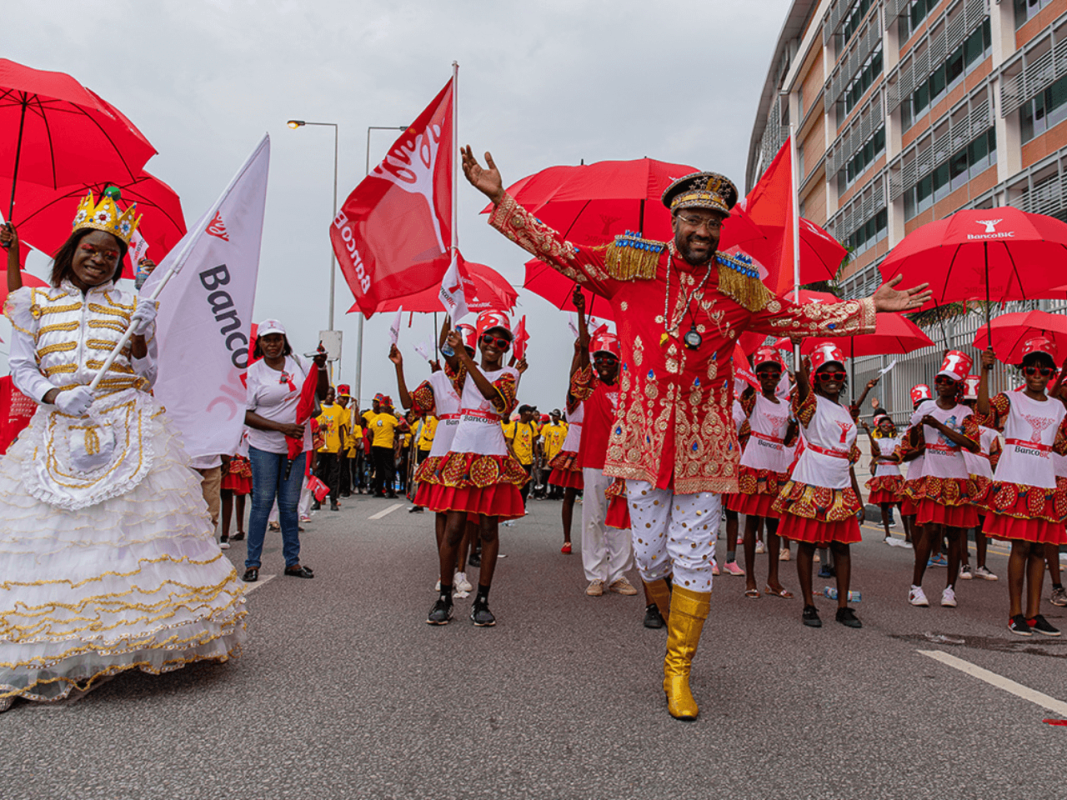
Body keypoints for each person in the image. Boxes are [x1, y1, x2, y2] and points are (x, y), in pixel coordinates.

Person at [464, 148, 929, 719]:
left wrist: (866, 308)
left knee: (691, 557)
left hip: (704, 445)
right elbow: (560, 253)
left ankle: (679, 671)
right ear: (674, 221)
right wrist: (500, 199)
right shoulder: (628, 265)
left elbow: (792, 317)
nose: (705, 231)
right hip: (641, 439)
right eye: (695, 220)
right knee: (651, 557)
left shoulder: (737, 289)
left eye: (714, 223)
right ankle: (669, 629)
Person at [0, 190, 245, 708]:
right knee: (50, 540)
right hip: (58, 425)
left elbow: (148, 373)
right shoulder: (33, 302)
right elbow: (22, 367)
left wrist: (140, 337)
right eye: (91, 248)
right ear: (73, 249)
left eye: (111, 254)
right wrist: (57, 394)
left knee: (124, 536)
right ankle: (49, 650)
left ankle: (119, 643)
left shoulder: (134, 300)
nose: (99, 259)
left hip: (127, 424)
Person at [425, 311, 526, 627]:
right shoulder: (460, 372)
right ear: (479, 341)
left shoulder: (508, 376)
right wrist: (449, 311)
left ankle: (482, 600)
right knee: (454, 528)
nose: (494, 345)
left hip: (492, 453)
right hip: (462, 449)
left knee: (487, 530)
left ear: (506, 348)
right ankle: (444, 597)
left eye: (501, 341)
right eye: (488, 339)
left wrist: (465, 360)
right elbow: (445, 351)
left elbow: (493, 398)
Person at [976, 339, 1067, 636]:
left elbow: (1062, 446)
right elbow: (983, 414)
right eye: (1031, 369)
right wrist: (985, 371)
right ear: (1023, 372)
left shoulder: (1058, 408)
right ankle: (1014, 613)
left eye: (1043, 370)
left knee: (1040, 548)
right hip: (1015, 477)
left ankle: (1034, 614)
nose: (1037, 374)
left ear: (1051, 373)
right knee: (1021, 546)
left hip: (1043, 480)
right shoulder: (1010, 399)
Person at [773, 344, 864, 630]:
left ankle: (843, 608)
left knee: (842, 547)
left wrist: (857, 495)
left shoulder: (847, 412)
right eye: (825, 376)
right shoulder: (810, 403)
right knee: (808, 544)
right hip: (812, 478)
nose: (833, 379)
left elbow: (850, 457)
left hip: (839, 482)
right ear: (816, 380)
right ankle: (809, 606)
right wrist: (803, 373)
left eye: (838, 374)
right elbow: (802, 389)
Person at [242, 319, 326, 582]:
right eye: (267, 339)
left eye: (277, 338)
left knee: (289, 506)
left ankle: (292, 562)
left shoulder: (299, 363)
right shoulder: (253, 372)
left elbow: (319, 394)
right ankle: (252, 563)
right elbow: (244, 414)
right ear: (260, 344)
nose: (272, 344)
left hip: (298, 446)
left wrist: (320, 367)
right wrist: (282, 428)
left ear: (284, 340)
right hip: (264, 446)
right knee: (263, 504)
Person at [905, 352, 980, 609]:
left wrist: (940, 426)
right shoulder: (926, 407)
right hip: (933, 477)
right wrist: (916, 427)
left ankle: (950, 590)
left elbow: (971, 444)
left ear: (958, 385)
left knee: (957, 534)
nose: (941, 384)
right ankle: (916, 587)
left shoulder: (965, 412)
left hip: (957, 478)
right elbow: (913, 444)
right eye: (939, 379)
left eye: (948, 381)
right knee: (932, 530)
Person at [573, 327, 638, 598]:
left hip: (624, 463)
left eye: (609, 360)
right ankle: (596, 575)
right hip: (594, 461)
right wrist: (581, 349)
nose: (603, 365)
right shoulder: (590, 389)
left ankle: (618, 575)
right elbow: (576, 377)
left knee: (621, 520)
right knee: (594, 519)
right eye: (599, 360)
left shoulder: (631, 389)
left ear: (619, 362)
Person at [727, 348, 796, 599]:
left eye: (773, 374)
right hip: (754, 463)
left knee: (775, 526)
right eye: (763, 373)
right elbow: (742, 397)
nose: (769, 377)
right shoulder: (752, 399)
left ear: (779, 378)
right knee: (752, 523)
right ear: (758, 376)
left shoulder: (788, 405)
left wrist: (793, 427)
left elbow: (789, 438)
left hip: (777, 466)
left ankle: (773, 580)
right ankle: (750, 580)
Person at [549, 287, 591, 554]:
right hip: (574, 448)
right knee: (568, 495)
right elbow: (574, 374)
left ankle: (595, 540)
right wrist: (578, 352)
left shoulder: (600, 395)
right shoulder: (574, 401)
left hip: (594, 450)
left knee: (596, 500)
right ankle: (567, 538)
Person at [959, 375, 1001, 581]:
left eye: (974, 402)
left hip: (984, 477)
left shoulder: (991, 431)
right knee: (962, 522)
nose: (971, 406)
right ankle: (964, 564)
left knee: (982, 524)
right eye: (967, 402)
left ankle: (982, 565)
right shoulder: (959, 423)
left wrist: (998, 480)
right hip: (964, 474)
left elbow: (995, 457)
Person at [861, 412, 904, 546]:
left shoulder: (897, 440)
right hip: (882, 474)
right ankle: (887, 533)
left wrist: (880, 458)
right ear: (879, 427)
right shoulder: (877, 441)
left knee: (901, 505)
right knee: (884, 507)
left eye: (889, 424)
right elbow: (875, 450)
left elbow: (897, 457)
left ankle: (908, 534)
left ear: (892, 427)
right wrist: (868, 431)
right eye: (883, 424)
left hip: (894, 474)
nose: (886, 426)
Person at [315, 386, 348, 511]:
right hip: (320, 447)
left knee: (334, 476)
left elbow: (341, 429)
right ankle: (317, 501)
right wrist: (319, 427)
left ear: (334, 396)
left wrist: (341, 446)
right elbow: (313, 426)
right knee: (319, 475)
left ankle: (334, 501)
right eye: (327, 394)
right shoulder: (318, 407)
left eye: (331, 394)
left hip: (334, 447)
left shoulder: (338, 409)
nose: (329, 397)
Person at [503, 405, 540, 510]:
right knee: (515, 484)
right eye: (530, 411)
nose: (532, 414)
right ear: (523, 413)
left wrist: (536, 458)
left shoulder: (531, 426)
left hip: (527, 461)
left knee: (526, 485)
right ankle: (512, 506)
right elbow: (509, 443)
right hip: (517, 461)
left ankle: (522, 506)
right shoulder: (513, 426)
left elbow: (534, 443)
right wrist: (515, 457)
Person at [364, 394, 401, 498]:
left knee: (378, 469)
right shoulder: (391, 418)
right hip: (387, 447)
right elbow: (399, 429)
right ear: (388, 408)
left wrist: (375, 441)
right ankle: (389, 491)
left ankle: (378, 490)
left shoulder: (374, 419)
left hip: (375, 446)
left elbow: (368, 435)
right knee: (388, 469)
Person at [220, 435, 252, 548]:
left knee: (239, 493)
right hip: (228, 451)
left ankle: (238, 530)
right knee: (226, 493)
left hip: (242, 452)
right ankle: (225, 533)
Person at [542, 409, 569, 499]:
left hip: (559, 456)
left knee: (558, 475)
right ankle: (547, 492)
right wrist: (543, 451)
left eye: (555, 416)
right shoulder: (547, 427)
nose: (554, 417)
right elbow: (542, 440)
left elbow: (566, 441)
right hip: (549, 455)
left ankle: (558, 493)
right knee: (547, 475)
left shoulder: (563, 428)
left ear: (559, 416)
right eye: (552, 416)